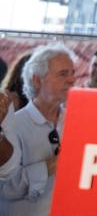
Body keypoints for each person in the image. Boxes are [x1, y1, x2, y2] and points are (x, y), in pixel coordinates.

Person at [0, 44, 77, 215]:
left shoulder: (77, 123)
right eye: (63, 74)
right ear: (37, 79)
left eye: (73, 73)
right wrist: (53, 164)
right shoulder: (13, 124)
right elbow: (5, 188)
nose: (72, 80)